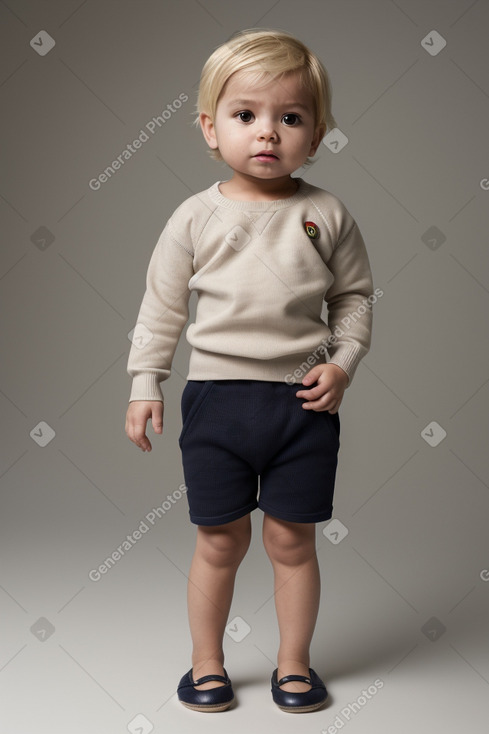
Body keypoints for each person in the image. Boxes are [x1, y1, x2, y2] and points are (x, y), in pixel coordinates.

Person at [125, 28, 375, 714]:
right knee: (219, 539)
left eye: (289, 118)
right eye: (245, 115)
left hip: (302, 403)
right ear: (210, 128)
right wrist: (146, 381)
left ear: (316, 133)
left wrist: (344, 365)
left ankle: (293, 665)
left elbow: (352, 298)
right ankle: (207, 662)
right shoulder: (194, 217)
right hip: (216, 402)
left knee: (292, 541)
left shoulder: (325, 214)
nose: (267, 133)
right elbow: (161, 306)